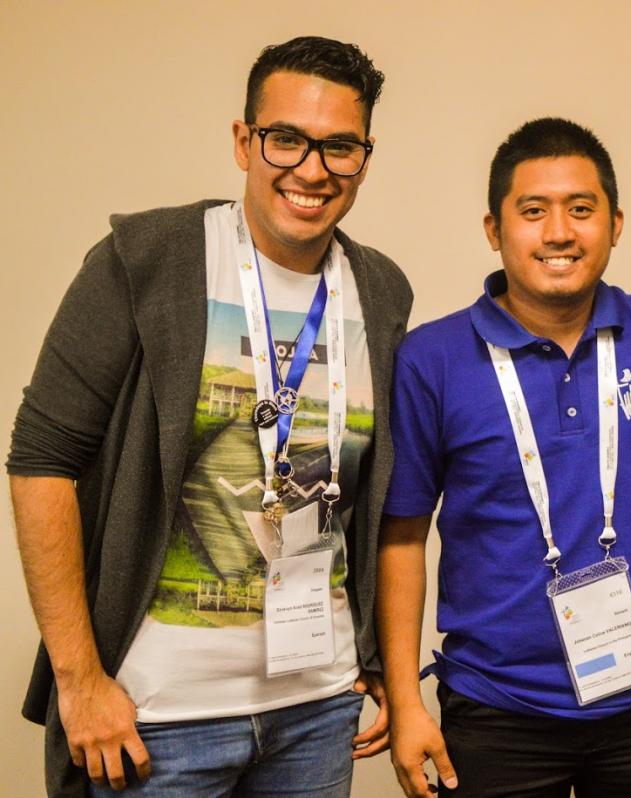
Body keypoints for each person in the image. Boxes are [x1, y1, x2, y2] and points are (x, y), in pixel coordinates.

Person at [7, 36, 413, 797]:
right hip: (156, 717)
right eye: (286, 138)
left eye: (340, 147)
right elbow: (40, 459)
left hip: (318, 710)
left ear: (365, 155)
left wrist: (373, 662)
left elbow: (375, 503)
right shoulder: (148, 258)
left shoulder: (381, 291)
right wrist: (79, 681)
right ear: (243, 140)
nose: (312, 169)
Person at [377, 117, 631, 798]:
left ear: (615, 222)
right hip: (494, 711)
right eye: (533, 211)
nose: (559, 232)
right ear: (494, 229)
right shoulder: (434, 359)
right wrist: (405, 703)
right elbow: (400, 535)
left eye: (581, 209)